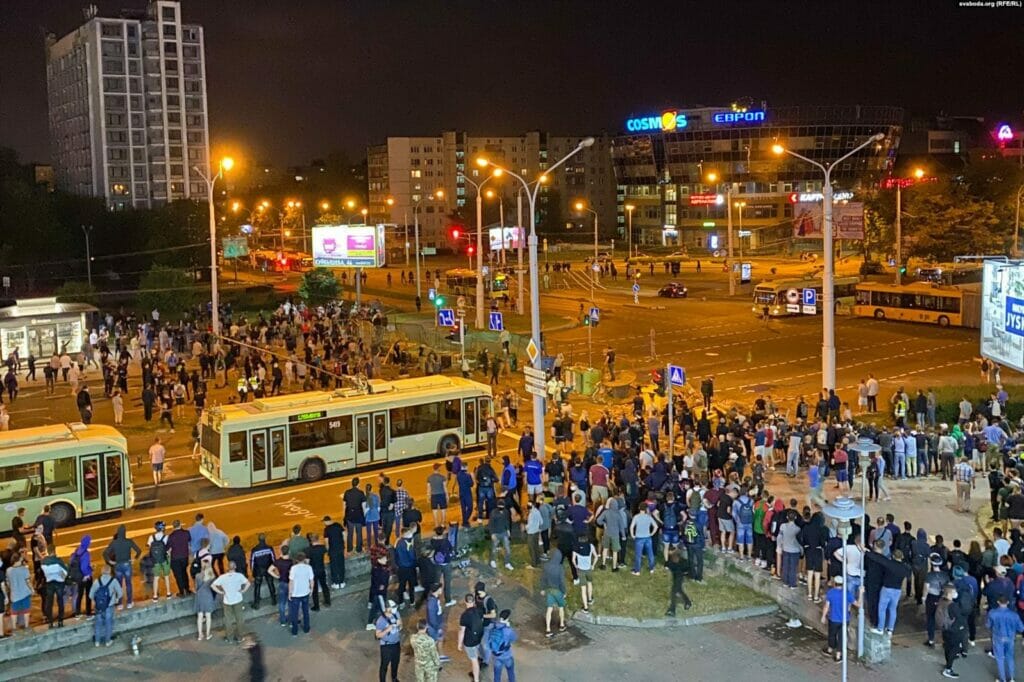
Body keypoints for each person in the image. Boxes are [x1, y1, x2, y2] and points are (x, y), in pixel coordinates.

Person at [211, 560, 250, 643]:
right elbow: (248, 583)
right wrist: (243, 591)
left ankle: (229, 637)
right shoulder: (239, 576)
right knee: (239, 619)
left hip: (227, 601)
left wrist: (221, 592)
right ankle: (240, 637)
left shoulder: (223, 577)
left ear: (227, 567)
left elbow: (213, 585)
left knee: (228, 620)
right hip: (238, 600)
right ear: (235, 567)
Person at [103, 524, 141, 609]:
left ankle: (120, 603)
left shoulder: (114, 543)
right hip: (127, 564)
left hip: (117, 565)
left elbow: (105, 553)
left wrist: (110, 561)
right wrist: (135, 558)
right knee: (128, 584)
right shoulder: (129, 541)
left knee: (119, 585)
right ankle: (129, 602)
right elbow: (138, 550)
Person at [821, 575, 857, 663]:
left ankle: (830, 650)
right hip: (845, 619)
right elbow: (857, 604)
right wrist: (861, 593)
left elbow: (826, 606)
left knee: (832, 635)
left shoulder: (831, 593)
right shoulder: (847, 594)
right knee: (842, 637)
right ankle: (838, 656)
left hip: (833, 619)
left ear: (834, 583)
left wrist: (823, 616)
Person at [987, 594, 1024, 682]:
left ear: (998, 602)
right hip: (1010, 637)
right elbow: (1021, 628)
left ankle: (1002, 679)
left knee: (999, 658)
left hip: (998, 637)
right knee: (1010, 657)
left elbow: (988, 625)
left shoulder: (992, 613)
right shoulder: (1014, 615)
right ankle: (1011, 678)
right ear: (1008, 602)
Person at [89, 564, 122, 647]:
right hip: (109, 606)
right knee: (109, 623)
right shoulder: (113, 581)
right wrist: (116, 599)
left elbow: (90, 595)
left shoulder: (97, 581)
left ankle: (97, 641)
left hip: (99, 607)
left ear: (102, 571)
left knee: (98, 623)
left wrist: (96, 600)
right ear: (110, 571)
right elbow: (120, 593)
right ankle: (108, 641)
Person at [939, 583, 966, 679]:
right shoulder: (952, 605)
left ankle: (947, 664)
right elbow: (959, 618)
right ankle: (948, 669)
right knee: (954, 649)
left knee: (947, 647)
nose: (956, 594)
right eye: (954, 592)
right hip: (953, 630)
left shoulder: (941, 601)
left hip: (944, 629)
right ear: (950, 594)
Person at [458, 593, 485, 682]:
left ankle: (476, 679)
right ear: (473, 602)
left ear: (465, 602)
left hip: (470, 641)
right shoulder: (479, 610)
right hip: (478, 637)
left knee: (474, 660)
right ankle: (476, 668)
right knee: (475, 654)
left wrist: (459, 644)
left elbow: (462, 631)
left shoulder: (464, 615)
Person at [541, 550, 567, 638]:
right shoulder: (560, 568)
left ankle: (548, 629)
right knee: (561, 608)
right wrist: (564, 591)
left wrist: (543, 588)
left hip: (549, 590)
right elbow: (562, 581)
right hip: (558, 591)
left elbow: (543, 578)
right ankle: (562, 625)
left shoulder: (546, 566)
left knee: (549, 609)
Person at [375, 599, 403, 682]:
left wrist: (400, 624)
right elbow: (377, 635)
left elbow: (401, 626)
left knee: (395, 662)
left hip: (396, 643)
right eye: (393, 607)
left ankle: (394, 678)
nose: (395, 609)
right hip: (386, 646)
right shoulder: (381, 620)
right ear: (387, 608)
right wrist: (387, 629)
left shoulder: (396, 614)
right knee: (384, 665)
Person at [288, 551, 314, 636]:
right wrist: (311, 589)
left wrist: (290, 593)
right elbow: (311, 580)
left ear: (296, 559)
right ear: (304, 559)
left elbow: (291, 582)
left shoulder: (293, 568)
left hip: (296, 594)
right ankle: (306, 629)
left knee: (294, 613)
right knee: (305, 611)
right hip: (305, 592)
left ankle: (294, 631)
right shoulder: (308, 567)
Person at [489, 609, 517, 682]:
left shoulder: (494, 626)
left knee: (497, 674)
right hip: (506, 655)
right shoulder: (508, 630)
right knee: (510, 671)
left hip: (496, 655)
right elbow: (514, 638)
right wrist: (508, 627)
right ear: (507, 618)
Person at [146, 520, 172, 600]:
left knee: (156, 577)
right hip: (164, 559)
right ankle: (168, 593)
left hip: (155, 560)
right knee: (166, 576)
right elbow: (169, 548)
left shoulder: (151, 537)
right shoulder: (166, 537)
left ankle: (155, 596)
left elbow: (148, 546)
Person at [249, 534, 276, 608]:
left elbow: (252, 562)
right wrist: (273, 569)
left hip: (258, 571)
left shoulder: (254, 549)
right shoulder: (269, 548)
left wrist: (252, 571)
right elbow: (274, 559)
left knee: (257, 586)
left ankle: (256, 603)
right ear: (265, 539)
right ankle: (274, 600)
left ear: (258, 540)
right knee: (271, 584)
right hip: (268, 569)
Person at [665, 547, 694, 617]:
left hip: (679, 577)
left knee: (674, 592)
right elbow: (667, 565)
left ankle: (672, 609)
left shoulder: (682, 561)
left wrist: (686, 573)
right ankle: (687, 602)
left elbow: (687, 569)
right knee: (679, 590)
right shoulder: (671, 560)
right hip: (675, 576)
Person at [194, 558, 216, 641]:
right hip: (208, 596)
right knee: (208, 616)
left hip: (199, 596)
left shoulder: (197, 576)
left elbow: (196, 588)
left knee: (200, 616)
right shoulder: (212, 576)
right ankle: (208, 634)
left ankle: (200, 635)